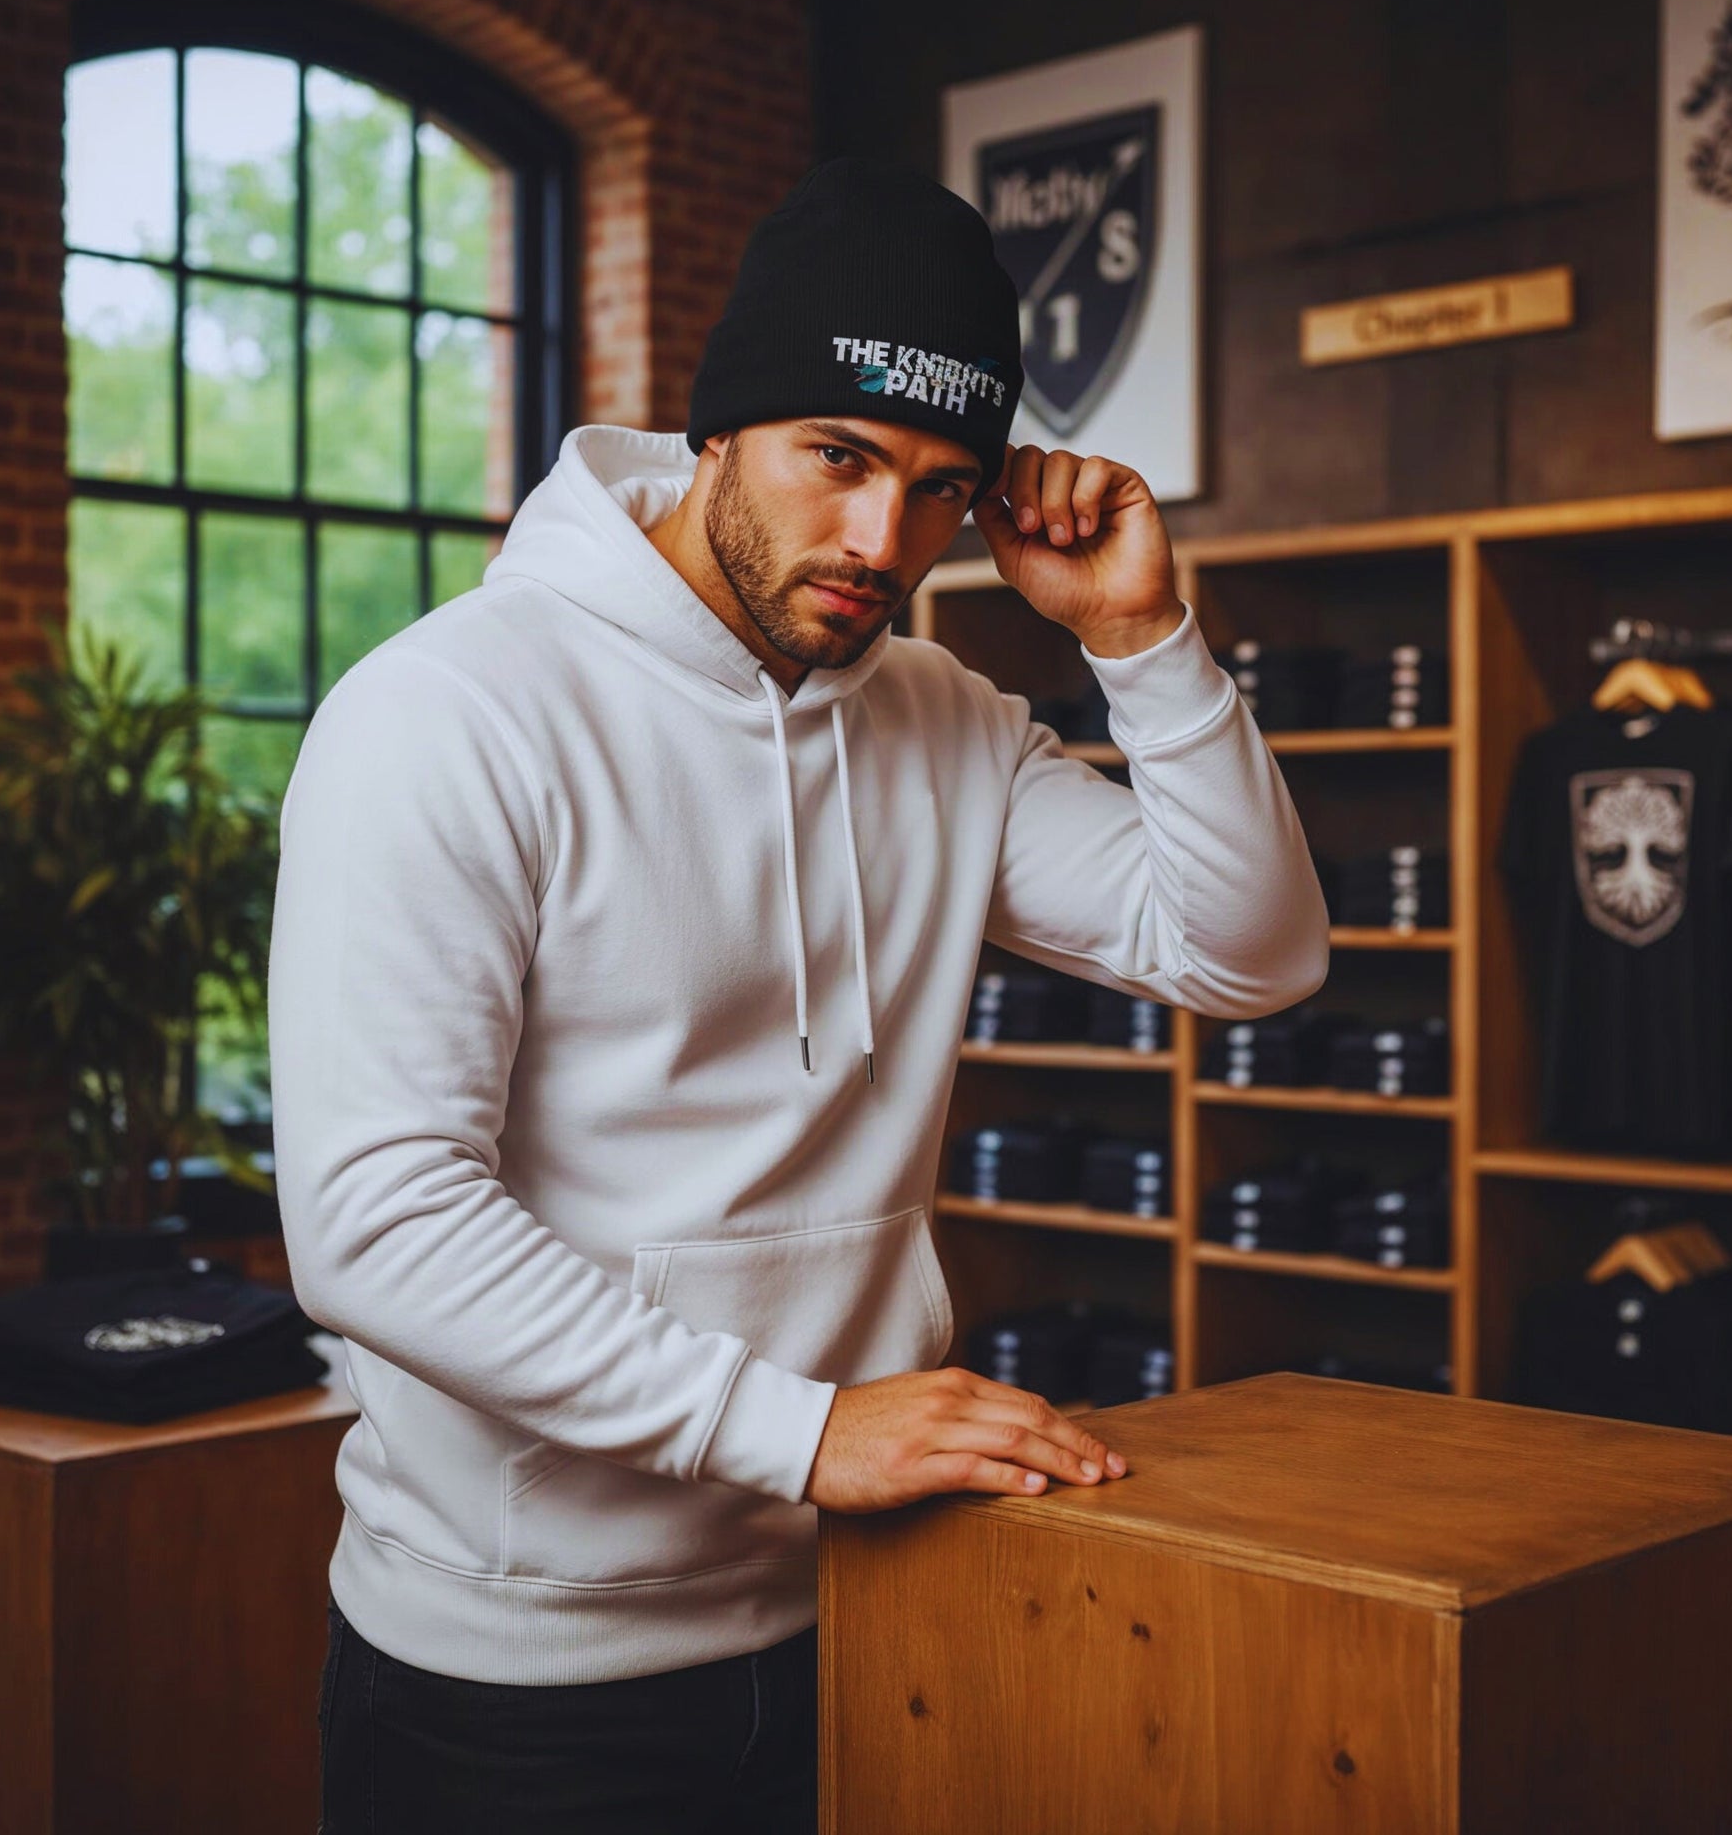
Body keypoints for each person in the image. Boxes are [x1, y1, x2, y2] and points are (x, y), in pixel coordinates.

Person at [268, 154, 1330, 1833]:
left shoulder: (944, 717)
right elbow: (374, 1217)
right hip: (521, 1670)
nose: (878, 538)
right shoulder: (448, 714)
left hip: (874, 1602)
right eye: (836, 455)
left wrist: (1141, 639)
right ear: (718, 431)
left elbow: (1250, 950)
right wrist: (792, 1426)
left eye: (936, 486)